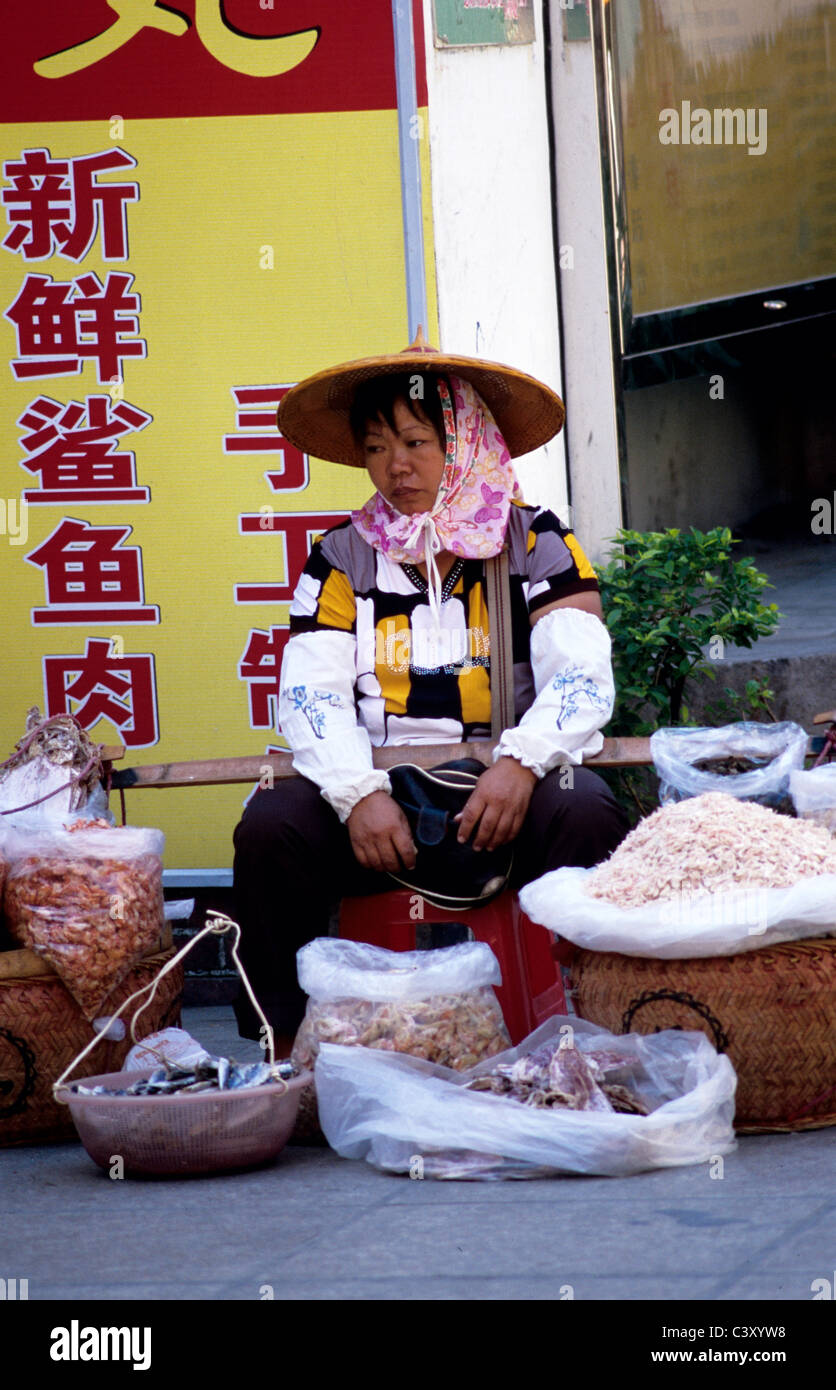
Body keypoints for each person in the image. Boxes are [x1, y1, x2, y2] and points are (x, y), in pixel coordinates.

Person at [232, 335, 629, 1048]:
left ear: (465, 441)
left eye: (416, 440)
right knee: (270, 826)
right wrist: (358, 795)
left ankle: (589, 1027)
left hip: (501, 789)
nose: (396, 465)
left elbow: (580, 676)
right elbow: (311, 697)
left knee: (586, 809)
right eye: (378, 447)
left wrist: (522, 764)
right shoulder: (339, 557)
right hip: (376, 799)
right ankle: (282, 1048)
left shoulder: (535, 541)